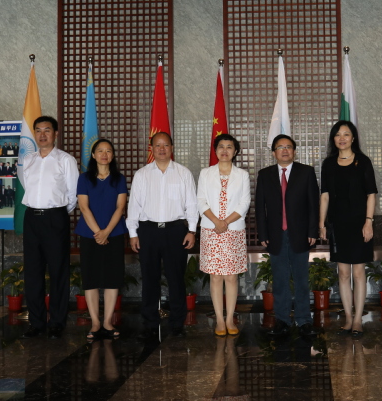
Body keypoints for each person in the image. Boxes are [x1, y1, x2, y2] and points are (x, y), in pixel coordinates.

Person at [127, 132, 197, 339]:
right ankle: (150, 322)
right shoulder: (142, 174)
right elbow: (134, 206)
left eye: (165, 145)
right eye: (157, 145)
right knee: (149, 278)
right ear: (152, 149)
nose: (162, 149)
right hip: (148, 231)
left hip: (175, 231)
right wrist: (133, 233)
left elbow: (192, 204)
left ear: (172, 148)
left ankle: (177, 323)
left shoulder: (183, 173)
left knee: (176, 278)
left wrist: (192, 230)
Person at [19, 116, 79, 340]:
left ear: (55, 133)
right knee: (33, 272)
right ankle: (36, 323)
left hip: (55, 218)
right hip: (31, 218)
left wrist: (57, 213)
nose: (42, 134)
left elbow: (72, 195)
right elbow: (27, 187)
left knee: (58, 272)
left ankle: (57, 322)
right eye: (38, 130)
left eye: (47, 130)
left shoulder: (66, 160)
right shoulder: (28, 160)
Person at [255, 134, 320, 337]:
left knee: (301, 280)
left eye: (288, 147)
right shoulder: (264, 175)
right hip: (275, 234)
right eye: (280, 147)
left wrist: (313, 231)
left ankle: (304, 320)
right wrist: (263, 233)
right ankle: (282, 320)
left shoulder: (306, 172)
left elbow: (314, 204)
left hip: (300, 234)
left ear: (294, 151)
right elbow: (259, 207)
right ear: (273, 153)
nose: (284, 150)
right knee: (280, 280)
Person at [319, 121, 377, 337]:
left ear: (353, 138)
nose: (342, 138)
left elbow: (371, 194)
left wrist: (369, 221)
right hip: (338, 223)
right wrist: (322, 223)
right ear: (333, 139)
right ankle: (349, 318)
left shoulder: (363, 161)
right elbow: (325, 196)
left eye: (346, 134)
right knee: (343, 273)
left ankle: (358, 319)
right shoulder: (328, 164)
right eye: (338, 134)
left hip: (360, 223)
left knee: (359, 272)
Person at [197, 134, 251, 337]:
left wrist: (225, 222)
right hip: (211, 230)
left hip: (233, 230)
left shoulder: (242, 175)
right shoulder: (205, 173)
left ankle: (230, 319)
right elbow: (201, 201)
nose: (225, 150)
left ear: (235, 151)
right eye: (221, 146)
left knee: (231, 276)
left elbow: (244, 203)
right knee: (216, 276)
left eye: (229, 147)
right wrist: (216, 222)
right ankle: (220, 319)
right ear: (215, 150)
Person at [76, 138, 127, 340]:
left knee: (112, 278)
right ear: (93, 155)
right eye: (100, 150)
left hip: (114, 234)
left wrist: (107, 232)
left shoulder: (119, 179)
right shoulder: (84, 178)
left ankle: (107, 322)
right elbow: (83, 207)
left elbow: (120, 207)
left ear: (112, 156)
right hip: (89, 234)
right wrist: (99, 232)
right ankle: (95, 323)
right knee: (91, 279)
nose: (104, 154)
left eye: (108, 151)